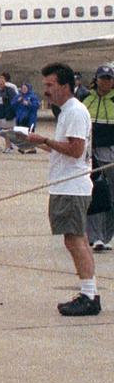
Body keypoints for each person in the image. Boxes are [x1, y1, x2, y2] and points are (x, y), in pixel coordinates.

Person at [24, 63, 98, 315]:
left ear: (64, 86)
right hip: (66, 185)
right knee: (76, 240)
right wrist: (32, 142)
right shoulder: (66, 111)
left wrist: (44, 140)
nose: (46, 90)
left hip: (72, 186)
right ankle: (88, 291)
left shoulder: (75, 111)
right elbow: (66, 147)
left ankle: (89, 294)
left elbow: (76, 150)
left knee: (75, 240)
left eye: (50, 85)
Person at [82, 63, 114, 252]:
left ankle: (107, 236)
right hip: (91, 156)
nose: (106, 82)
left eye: (109, 79)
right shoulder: (86, 99)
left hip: (111, 154)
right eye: (103, 78)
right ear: (96, 79)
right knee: (95, 196)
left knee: (111, 199)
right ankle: (95, 237)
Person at [13, 79, 43, 151]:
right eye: (22, 88)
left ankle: (32, 148)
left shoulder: (33, 96)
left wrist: (29, 104)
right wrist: (17, 101)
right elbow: (12, 105)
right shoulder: (18, 96)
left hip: (30, 118)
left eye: (25, 88)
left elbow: (37, 106)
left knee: (30, 133)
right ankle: (24, 147)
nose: (23, 90)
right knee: (22, 133)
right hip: (20, 117)